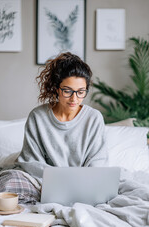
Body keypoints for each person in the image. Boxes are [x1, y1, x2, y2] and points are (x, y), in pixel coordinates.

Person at [17, 52, 108, 184]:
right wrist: (62, 180)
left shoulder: (94, 118)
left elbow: (98, 162)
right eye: (67, 91)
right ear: (56, 89)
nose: (74, 98)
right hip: (45, 181)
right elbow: (31, 162)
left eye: (81, 92)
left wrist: (81, 182)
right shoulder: (37, 117)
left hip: (84, 182)